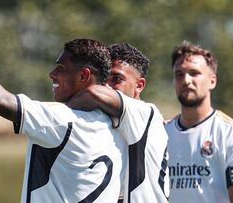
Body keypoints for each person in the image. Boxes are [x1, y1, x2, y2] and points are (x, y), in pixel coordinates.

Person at [0, 9, 128, 203]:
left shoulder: (63, 120)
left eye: (61, 67)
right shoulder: (118, 130)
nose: (52, 74)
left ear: (84, 75)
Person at [68, 43, 169, 203]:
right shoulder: (106, 122)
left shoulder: (146, 113)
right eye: (104, 79)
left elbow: (93, 93)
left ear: (139, 85)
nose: (107, 86)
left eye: (117, 79)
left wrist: (59, 112)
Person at [165, 41, 233, 203]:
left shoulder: (230, 133)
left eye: (194, 73)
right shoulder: (162, 133)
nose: (186, 80)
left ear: (212, 81)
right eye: (179, 74)